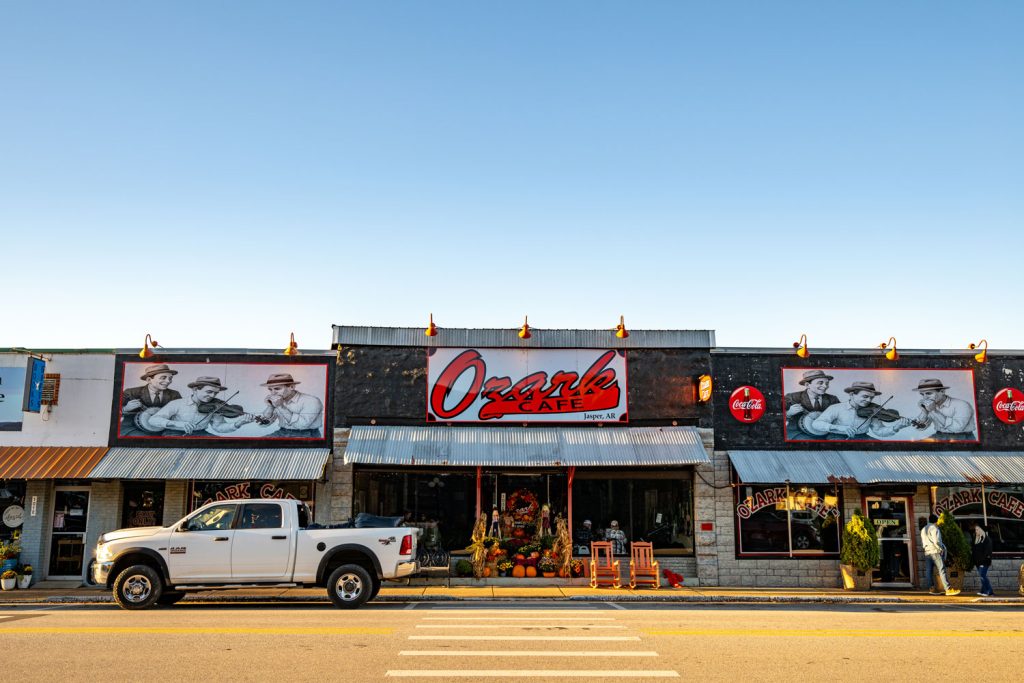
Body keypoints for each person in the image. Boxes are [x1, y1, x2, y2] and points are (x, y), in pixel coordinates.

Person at [147, 376, 256, 436]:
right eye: (209, 392)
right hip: (174, 433)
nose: (212, 396)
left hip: (201, 434)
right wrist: (178, 424)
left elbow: (219, 427)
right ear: (195, 390)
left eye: (215, 393)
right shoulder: (177, 403)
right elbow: (153, 420)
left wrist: (238, 423)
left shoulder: (215, 406)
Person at [811, 382, 915, 440]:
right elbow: (816, 424)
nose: (869, 401)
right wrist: (840, 428)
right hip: (837, 438)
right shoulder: (836, 408)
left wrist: (896, 427)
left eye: (871, 398)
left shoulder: (872, 411)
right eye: (865, 396)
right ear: (852, 395)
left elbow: (879, 432)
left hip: (862, 438)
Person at [120, 364, 183, 435]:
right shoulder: (131, 393)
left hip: (165, 429)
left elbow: (181, 414)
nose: (168, 381)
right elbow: (113, 412)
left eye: (170, 378)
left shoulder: (174, 394)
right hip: (134, 428)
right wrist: (125, 409)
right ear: (149, 380)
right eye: (163, 378)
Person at [258, 373, 324, 438]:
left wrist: (280, 406)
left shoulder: (311, 401)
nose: (273, 393)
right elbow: (265, 424)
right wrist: (270, 406)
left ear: (291, 387)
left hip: (306, 435)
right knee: (258, 443)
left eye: (277, 389)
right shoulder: (279, 400)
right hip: (282, 432)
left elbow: (301, 425)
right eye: (270, 389)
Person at [911, 379, 977, 441]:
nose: (925, 397)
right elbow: (920, 428)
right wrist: (924, 411)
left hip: (962, 437)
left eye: (929, 393)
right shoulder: (932, 405)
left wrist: (933, 411)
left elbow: (957, 428)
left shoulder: (962, 405)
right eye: (922, 394)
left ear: (942, 392)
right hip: (939, 435)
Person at [784, 370, 840, 440]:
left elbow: (841, 416)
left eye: (827, 383)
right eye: (820, 383)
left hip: (826, 433)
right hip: (799, 433)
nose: (825, 386)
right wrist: (788, 413)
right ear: (807, 385)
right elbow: (775, 417)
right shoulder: (792, 397)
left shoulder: (832, 399)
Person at [921, 514, 960, 596]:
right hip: (935, 551)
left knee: (929, 571)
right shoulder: (935, 528)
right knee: (942, 570)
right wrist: (941, 549)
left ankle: (932, 589)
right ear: (936, 521)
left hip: (927, 552)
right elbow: (937, 542)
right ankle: (948, 589)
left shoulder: (923, 529)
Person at [972, 523, 994, 596]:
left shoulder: (987, 540)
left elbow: (988, 552)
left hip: (984, 562)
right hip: (978, 562)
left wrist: (982, 562)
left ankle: (989, 591)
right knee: (982, 576)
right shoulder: (977, 539)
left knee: (983, 576)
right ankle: (983, 591)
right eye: (975, 530)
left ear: (982, 530)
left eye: (978, 529)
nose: (976, 531)